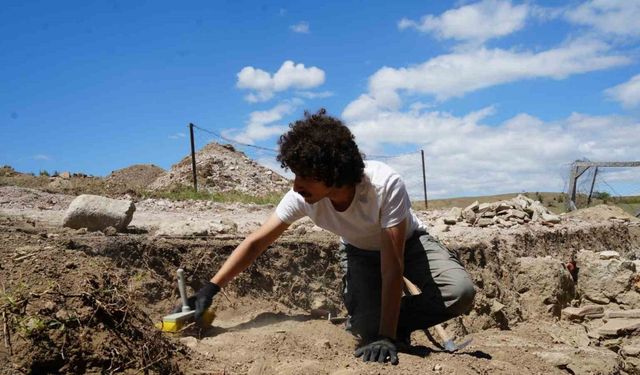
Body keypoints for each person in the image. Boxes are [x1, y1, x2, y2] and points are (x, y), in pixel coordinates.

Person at [189, 109, 475, 365]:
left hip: (409, 244)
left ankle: (393, 325)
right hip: (358, 252)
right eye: (295, 174)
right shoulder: (301, 197)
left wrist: (387, 335)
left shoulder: (384, 185)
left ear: (334, 172)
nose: (296, 185)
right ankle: (379, 322)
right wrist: (211, 288)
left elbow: (392, 267)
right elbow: (256, 242)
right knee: (365, 330)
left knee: (460, 291)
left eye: (306, 176)